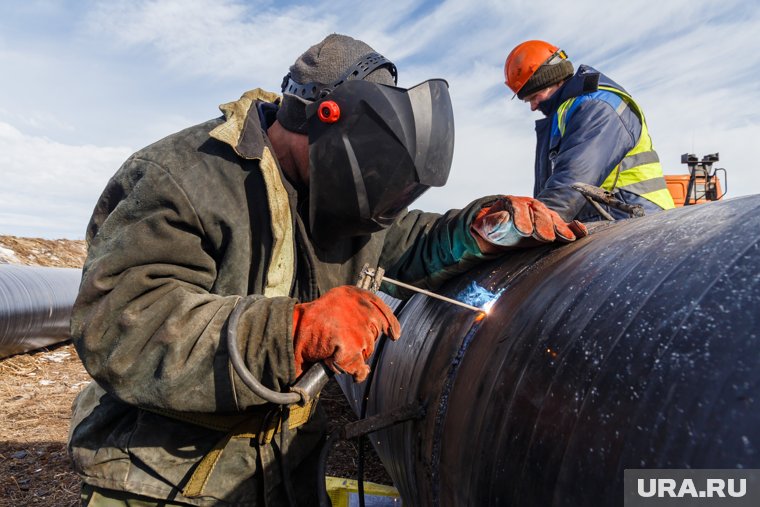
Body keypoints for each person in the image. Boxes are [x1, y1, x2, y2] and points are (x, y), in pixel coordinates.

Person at [68, 33, 587, 506]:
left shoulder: (332, 195)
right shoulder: (183, 176)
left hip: (284, 470)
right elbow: (123, 323)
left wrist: (481, 227)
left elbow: (405, 242)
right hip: (162, 480)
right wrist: (291, 332)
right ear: (319, 118)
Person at [504, 40, 675, 222]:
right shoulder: (568, 112)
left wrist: (531, 226)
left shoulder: (596, 105)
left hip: (634, 218)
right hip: (610, 217)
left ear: (552, 79)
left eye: (534, 97)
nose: (533, 106)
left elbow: (572, 181)